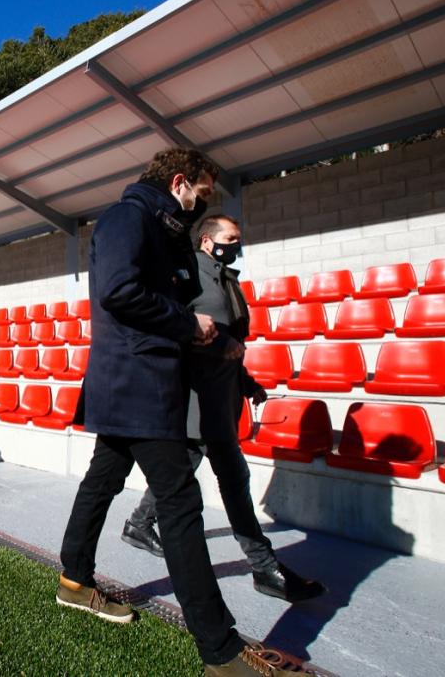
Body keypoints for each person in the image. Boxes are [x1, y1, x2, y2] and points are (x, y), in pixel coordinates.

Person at [55, 148, 296, 676]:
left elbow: (183, 309)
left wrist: (218, 343)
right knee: (182, 505)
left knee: (103, 479)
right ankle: (222, 652)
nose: (202, 204)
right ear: (180, 182)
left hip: (142, 380)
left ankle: (73, 580)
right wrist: (192, 329)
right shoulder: (128, 217)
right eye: (203, 194)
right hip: (137, 382)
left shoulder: (167, 233)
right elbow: (120, 292)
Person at [121, 215, 325, 604]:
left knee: (191, 463)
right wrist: (217, 349)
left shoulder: (226, 279)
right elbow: (178, 327)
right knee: (235, 479)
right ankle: (264, 566)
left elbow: (230, 340)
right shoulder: (190, 272)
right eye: (231, 238)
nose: (237, 244)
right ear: (208, 241)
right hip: (200, 396)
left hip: (222, 394)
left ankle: (139, 523)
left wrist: (246, 381)